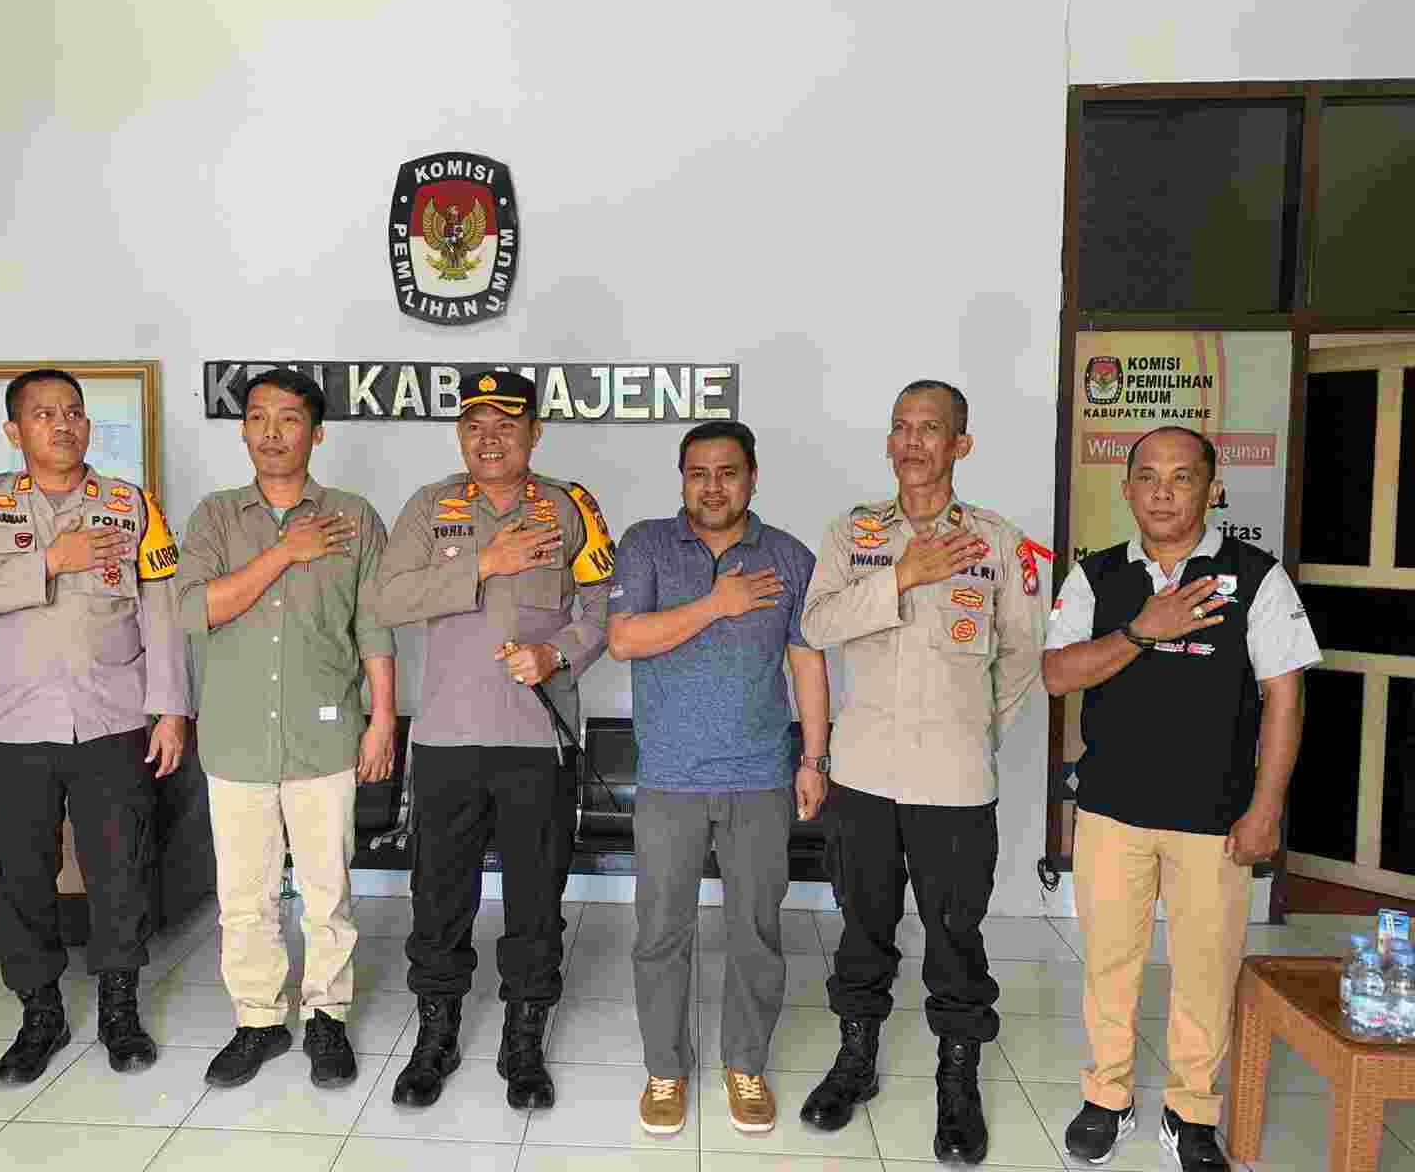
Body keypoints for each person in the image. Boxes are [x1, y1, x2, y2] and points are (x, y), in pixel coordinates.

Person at [1042, 425, 1319, 1171]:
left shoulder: (1256, 577)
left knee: (1206, 968)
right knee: (1111, 965)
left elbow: (1284, 699)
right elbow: (1058, 675)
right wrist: (1141, 630)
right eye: (1149, 477)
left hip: (1215, 818)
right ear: (1127, 488)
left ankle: (1192, 1110)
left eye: (1182, 477)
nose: (1163, 493)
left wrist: (1265, 810)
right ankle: (1107, 1096)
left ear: (1212, 488)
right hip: (1112, 810)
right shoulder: (1096, 576)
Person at [799, 380, 1046, 1163]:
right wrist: (900, 576)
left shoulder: (1000, 542)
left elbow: (1023, 655)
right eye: (901, 427)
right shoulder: (852, 533)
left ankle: (957, 1080)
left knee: (954, 936)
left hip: (955, 779)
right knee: (862, 928)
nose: (911, 442)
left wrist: (973, 725)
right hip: (864, 773)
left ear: (960, 445)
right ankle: (856, 1062)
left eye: (930, 428)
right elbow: (816, 623)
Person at [0, 367, 190, 1085]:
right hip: (16, 727)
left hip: (113, 721)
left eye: (73, 412)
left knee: (122, 870)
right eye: (44, 414)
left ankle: (119, 1010)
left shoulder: (130, 505)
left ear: (88, 425)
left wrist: (171, 710)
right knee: (20, 875)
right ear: (14, 431)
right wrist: (47, 562)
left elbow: (163, 615)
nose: (63, 424)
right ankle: (39, 1013)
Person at [374, 369, 612, 1110]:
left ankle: (524, 1039)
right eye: (474, 426)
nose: (489, 439)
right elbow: (386, 598)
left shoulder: (570, 506)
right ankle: (435, 1037)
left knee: (535, 898)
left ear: (534, 433)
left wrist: (557, 653)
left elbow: (602, 607)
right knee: (439, 896)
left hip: (537, 743)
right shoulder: (429, 507)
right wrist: (485, 564)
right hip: (447, 739)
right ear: (459, 435)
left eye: (506, 426)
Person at [173, 369, 396, 1090]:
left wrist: (382, 719)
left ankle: (327, 1016)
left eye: (289, 418)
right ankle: (259, 1021)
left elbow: (374, 625)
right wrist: (284, 552)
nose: (272, 433)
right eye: (258, 418)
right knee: (246, 895)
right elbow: (195, 609)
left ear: (316, 433)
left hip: (324, 735)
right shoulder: (214, 517)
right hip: (236, 737)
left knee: (328, 890)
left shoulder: (354, 517)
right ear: (243, 431)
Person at [607, 420, 829, 1137]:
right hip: (669, 777)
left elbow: (807, 663)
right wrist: (717, 603)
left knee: (755, 932)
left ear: (752, 478)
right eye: (698, 473)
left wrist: (814, 759)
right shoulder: (646, 545)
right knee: (660, 933)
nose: (712, 486)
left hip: (759, 776)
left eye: (728, 472)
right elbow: (623, 639)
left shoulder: (789, 557)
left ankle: (746, 1064)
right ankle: (664, 1068)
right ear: (682, 480)